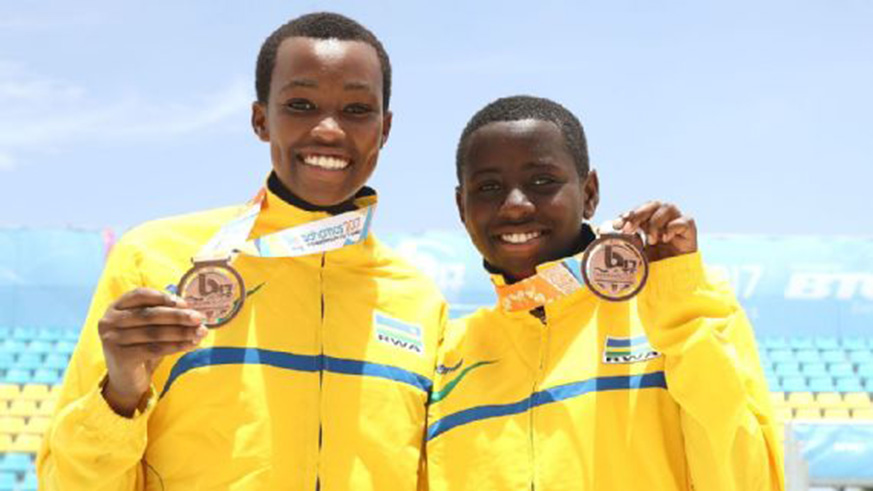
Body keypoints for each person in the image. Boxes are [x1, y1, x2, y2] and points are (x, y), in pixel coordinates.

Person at [37, 12, 445, 490]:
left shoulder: (418, 300)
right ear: (261, 120)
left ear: (385, 128)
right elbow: (66, 482)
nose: (330, 130)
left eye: (356, 110)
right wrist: (119, 395)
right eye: (301, 104)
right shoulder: (154, 259)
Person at [425, 95, 784, 490]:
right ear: (462, 206)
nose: (515, 205)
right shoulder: (448, 355)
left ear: (590, 192)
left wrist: (677, 302)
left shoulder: (681, 308)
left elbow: (747, 480)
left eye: (542, 181)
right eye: (489, 187)